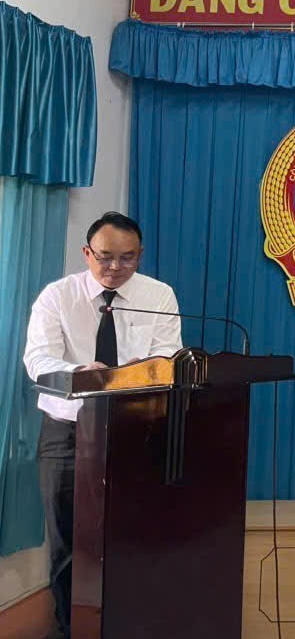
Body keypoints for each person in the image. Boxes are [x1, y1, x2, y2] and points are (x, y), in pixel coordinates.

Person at [23, 211, 181, 638]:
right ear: (86, 252)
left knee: (134, 536)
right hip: (67, 432)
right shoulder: (58, 296)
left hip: (135, 431)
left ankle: (129, 625)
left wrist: (145, 370)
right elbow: (37, 360)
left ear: (140, 255)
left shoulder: (158, 295)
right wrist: (81, 373)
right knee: (68, 540)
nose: (115, 267)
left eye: (127, 258)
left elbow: (170, 356)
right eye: (105, 257)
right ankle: (70, 630)